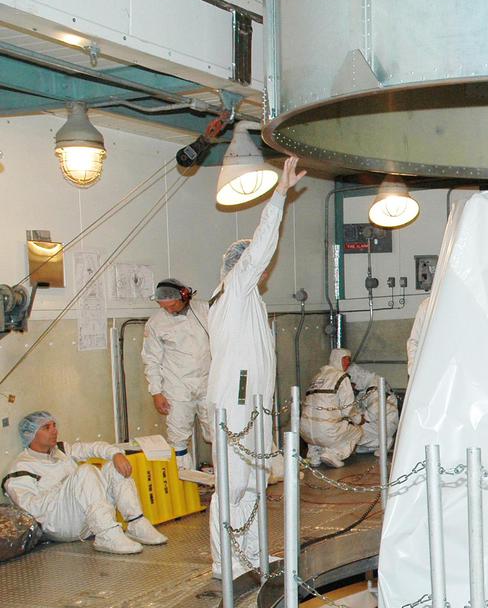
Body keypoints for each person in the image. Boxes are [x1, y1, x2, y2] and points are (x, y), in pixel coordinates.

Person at [206, 156, 306, 578]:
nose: (263, 267)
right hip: (237, 404)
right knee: (231, 485)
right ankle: (223, 562)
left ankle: (251, 554)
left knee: (251, 483)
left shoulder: (249, 302)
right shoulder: (233, 292)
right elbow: (262, 242)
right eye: (256, 263)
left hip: (255, 408)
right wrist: (279, 195)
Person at [2, 411, 168, 554]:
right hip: (58, 523)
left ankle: (136, 523)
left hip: (86, 519)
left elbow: (92, 448)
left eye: (54, 425)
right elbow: (30, 510)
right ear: (31, 435)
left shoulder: (61, 450)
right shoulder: (21, 467)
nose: (54, 431)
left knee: (112, 467)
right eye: (47, 428)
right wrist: (64, 486)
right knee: (86, 471)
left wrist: (116, 454)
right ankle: (106, 534)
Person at [140, 278, 211, 469]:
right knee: (178, 439)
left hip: (209, 384)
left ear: (184, 296)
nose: (169, 310)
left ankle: (225, 486)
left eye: (172, 305)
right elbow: (151, 359)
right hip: (177, 387)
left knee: (218, 433)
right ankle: (184, 486)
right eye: (164, 307)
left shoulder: (205, 311)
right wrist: (156, 392)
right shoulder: (156, 323)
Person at [299, 348, 364, 467]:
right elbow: (348, 408)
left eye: (349, 361)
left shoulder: (317, 376)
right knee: (356, 431)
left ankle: (314, 456)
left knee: (318, 424)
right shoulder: (341, 377)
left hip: (305, 432)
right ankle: (333, 454)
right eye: (345, 360)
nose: (347, 364)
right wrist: (358, 419)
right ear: (337, 360)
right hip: (327, 431)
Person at [347, 362, 400, 457]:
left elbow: (373, 412)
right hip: (384, 422)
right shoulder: (371, 383)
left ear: (357, 378)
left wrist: (357, 419)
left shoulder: (373, 387)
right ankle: (377, 444)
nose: (353, 387)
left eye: (353, 384)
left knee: (351, 431)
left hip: (383, 424)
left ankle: (383, 442)